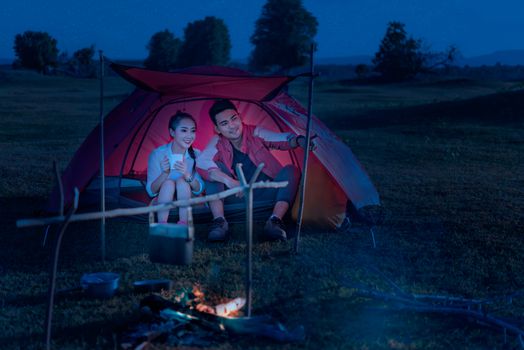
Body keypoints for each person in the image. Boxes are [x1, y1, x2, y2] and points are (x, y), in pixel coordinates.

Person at [197, 99, 311, 242]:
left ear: (240, 117)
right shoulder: (217, 141)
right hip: (238, 197)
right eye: (224, 124)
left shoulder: (255, 132)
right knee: (213, 171)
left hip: (268, 196)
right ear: (217, 129)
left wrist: (298, 140)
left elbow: (281, 139)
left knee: (290, 169)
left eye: (234, 119)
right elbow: (201, 162)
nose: (232, 126)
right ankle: (219, 222)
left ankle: (275, 220)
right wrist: (229, 181)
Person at [146, 111, 204, 224]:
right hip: (164, 196)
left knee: (182, 182)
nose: (189, 135)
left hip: (187, 196)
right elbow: (151, 191)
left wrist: (187, 174)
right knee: (168, 183)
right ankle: (162, 224)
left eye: (193, 131)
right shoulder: (158, 154)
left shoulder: (196, 155)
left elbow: (199, 189)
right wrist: (164, 173)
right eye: (184, 130)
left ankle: (183, 223)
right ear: (172, 132)